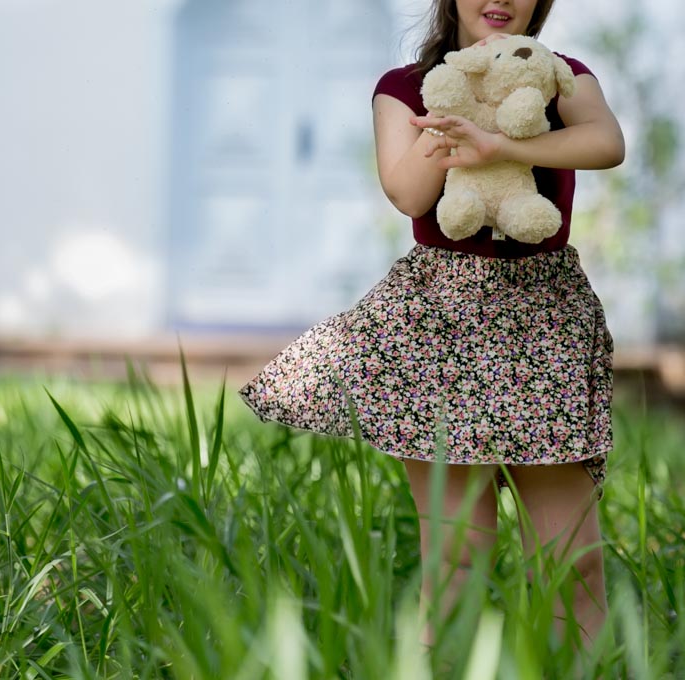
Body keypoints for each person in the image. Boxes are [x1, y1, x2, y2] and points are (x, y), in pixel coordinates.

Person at [239, 0, 624, 651]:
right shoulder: (405, 89)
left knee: (573, 560)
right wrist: (456, 121)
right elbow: (409, 194)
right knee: (454, 560)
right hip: (440, 324)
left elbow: (607, 144)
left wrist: (503, 143)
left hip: (544, 323)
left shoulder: (562, 75)